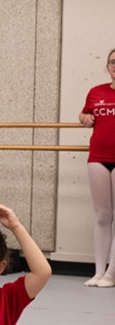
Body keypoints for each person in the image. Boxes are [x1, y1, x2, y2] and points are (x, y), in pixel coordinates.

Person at [80, 48, 115, 287]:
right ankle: (98, 271)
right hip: (98, 157)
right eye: (113, 62)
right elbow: (84, 115)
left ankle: (112, 273)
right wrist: (84, 118)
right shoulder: (96, 92)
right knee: (102, 215)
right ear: (107, 66)